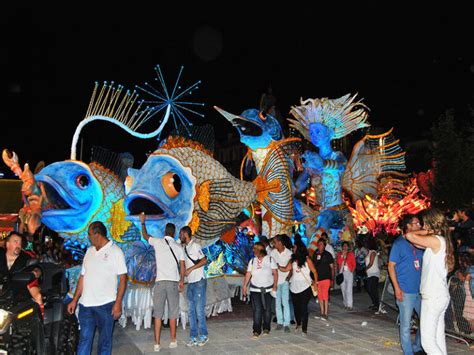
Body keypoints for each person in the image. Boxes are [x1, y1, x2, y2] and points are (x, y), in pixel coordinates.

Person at [67, 221, 128, 355]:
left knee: (104, 343)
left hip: (106, 306)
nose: (88, 237)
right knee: (84, 340)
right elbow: (82, 277)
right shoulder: (89, 252)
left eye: (89, 234)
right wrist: (74, 300)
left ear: (97, 234)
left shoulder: (116, 252)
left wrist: (118, 303)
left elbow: (123, 279)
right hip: (86, 305)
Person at [405, 208, 455, 355]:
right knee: (438, 340)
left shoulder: (435, 240)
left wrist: (430, 231)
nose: (422, 226)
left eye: (424, 223)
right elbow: (415, 242)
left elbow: (409, 235)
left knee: (427, 342)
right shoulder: (440, 241)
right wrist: (433, 230)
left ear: (431, 223)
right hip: (439, 295)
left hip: (433, 296)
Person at [140, 213, 185, 352]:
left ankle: (157, 344)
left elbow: (146, 236)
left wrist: (143, 222)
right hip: (172, 283)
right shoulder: (178, 247)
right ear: (174, 233)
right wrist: (182, 281)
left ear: (165, 232)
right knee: (173, 313)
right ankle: (172, 340)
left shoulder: (158, 242)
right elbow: (182, 266)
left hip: (160, 282)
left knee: (158, 314)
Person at [388, 214, 424, 355]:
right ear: (408, 226)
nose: (419, 226)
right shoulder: (398, 244)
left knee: (425, 321)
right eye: (416, 223)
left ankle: (418, 346)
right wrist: (397, 288)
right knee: (405, 324)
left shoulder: (419, 243)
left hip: (420, 290)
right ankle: (408, 352)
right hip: (406, 291)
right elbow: (391, 266)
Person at [179, 226, 209, 347]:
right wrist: (182, 279)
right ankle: (193, 336)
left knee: (199, 310)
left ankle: (203, 335)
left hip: (199, 281)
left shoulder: (195, 246)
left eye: (181, 234)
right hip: (190, 282)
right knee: (191, 311)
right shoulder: (185, 248)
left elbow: (204, 260)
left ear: (186, 234)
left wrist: (191, 268)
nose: (179, 236)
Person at [280, 239, 318, 335]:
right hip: (294, 287)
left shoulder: (307, 259)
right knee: (296, 308)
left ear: (299, 248)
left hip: (305, 287)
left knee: (303, 307)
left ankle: (304, 328)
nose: (293, 248)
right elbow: (286, 269)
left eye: (295, 247)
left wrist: (316, 283)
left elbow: (314, 271)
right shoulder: (292, 260)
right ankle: (298, 323)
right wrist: (277, 266)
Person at [242, 242, 278, 338]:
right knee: (257, 309)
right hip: (255, 288)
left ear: (259, 250)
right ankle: (256, 330)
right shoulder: (252, 261)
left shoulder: (270, 259)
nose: (253, 251)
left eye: (255, 249)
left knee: (267, 309)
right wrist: (244, 285)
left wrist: (275, 285)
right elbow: (248, 273)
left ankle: (266, 327)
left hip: (268, 288)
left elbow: (275, 273)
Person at [270, 234, 293, 332]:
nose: (273, 244)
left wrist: (288, 277)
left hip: (285, 281)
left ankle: (286, 323)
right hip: (275, 282)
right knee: (277, 303)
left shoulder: (289, 253)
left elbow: (291, 268)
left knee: (285, 303)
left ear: (280, 242)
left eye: (275, 242)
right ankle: (280, 322)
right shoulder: (273, 253)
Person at [312, 238, 334, 320]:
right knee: (320, 296)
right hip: (318, 278)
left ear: (324, 245)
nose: (319, 246)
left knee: (325, 295)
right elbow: (313, 266)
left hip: (326, 278)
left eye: (321, 244)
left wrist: (332, 279)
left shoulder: (328, 255)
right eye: (318, 244)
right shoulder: (315, 254)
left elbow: (332, 268)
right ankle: (321, 312)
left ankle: (325, 313)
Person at [336, 241, 356, 311]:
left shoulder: (351, 254)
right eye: (344, 246)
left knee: (349, 289)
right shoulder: (339, 254)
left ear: (348, 247)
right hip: (342, 273)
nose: (345, 247)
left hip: (349, 273)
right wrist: (342, 256)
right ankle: (345, 304)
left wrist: (351, 271)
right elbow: (338, 262)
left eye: (346, 246)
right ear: (342, 247)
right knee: (343, 289)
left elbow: (354, 263)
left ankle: (350, 305)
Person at [364, 237, 380, 311]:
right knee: (369, 288)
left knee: (372, 289)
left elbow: (371, 263)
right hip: (370, 273)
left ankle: (376, 304)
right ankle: (374, 303)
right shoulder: (370, 252)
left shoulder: (373, 252)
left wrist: (366, 268)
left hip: (374, 272)